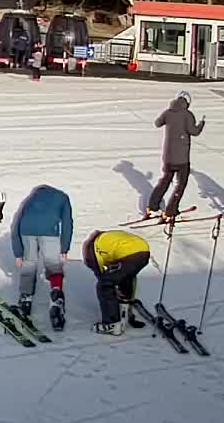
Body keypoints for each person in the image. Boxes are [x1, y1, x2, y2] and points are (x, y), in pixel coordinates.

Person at [12, 184, 73, 330]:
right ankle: (56, 295)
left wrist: (18, 252)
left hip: (26, 229)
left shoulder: (31, 198)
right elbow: (67, 224)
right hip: (49, 231)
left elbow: (16, 223)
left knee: (30, 263)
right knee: (53, 264)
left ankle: (25, 299)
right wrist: (64, 248)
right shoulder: (63, 197)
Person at [147, 91, 205, 220]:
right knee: (181, 184)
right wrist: (201, 124)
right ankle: (170, 211)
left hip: (168, 156)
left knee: (165, 180)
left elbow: (157, 123)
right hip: (182, 158)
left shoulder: (168, 112)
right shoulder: (187, 114)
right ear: (187, 103)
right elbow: (193, 131)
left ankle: (152, 207)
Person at [83, 229, 152, 336]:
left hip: (130, 254)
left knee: (104, 286)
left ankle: (112, 324)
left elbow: (102, 277)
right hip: (144, 251)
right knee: (126, 277)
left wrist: (111, 286)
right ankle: (124, 313)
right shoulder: (105, 240)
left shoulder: (91, 252)